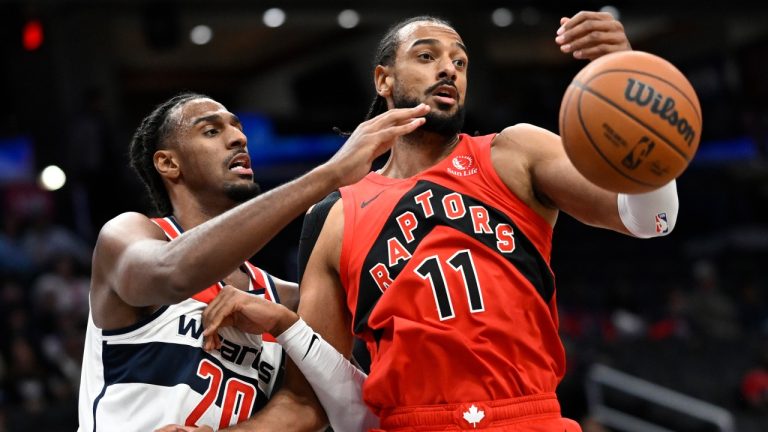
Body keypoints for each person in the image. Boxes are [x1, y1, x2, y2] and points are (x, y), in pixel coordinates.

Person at [202, 11, 682, 432]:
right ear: (384, 80)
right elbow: (310, 403)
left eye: (460, 60)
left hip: (528, 415)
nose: (449, 67)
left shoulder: (513, 154)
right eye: (427, 56)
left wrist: (630, 80)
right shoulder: (335, 215)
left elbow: (651, 218)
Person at [76, 92, 431, 431]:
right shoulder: (126, 237)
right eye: (212, 131)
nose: (237, 139)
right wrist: (330, 174)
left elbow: (316, 408)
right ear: (169, 163)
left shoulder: (287, 300)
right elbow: (174, 272)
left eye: (238, 128)